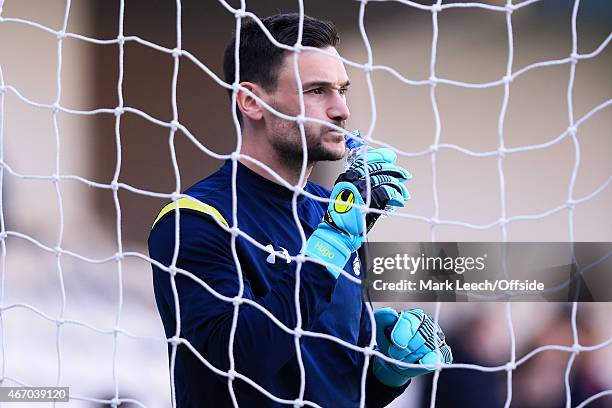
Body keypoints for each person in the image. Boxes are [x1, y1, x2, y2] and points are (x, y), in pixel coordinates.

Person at [149, 13, 452, 408]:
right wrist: (334, 241)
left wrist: (387, 371)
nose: (341, 109)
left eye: (342, 90)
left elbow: (337, 387)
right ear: (251, 102)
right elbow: (235, 364)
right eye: (317, 91)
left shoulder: (331, 211)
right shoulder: (195, 218)